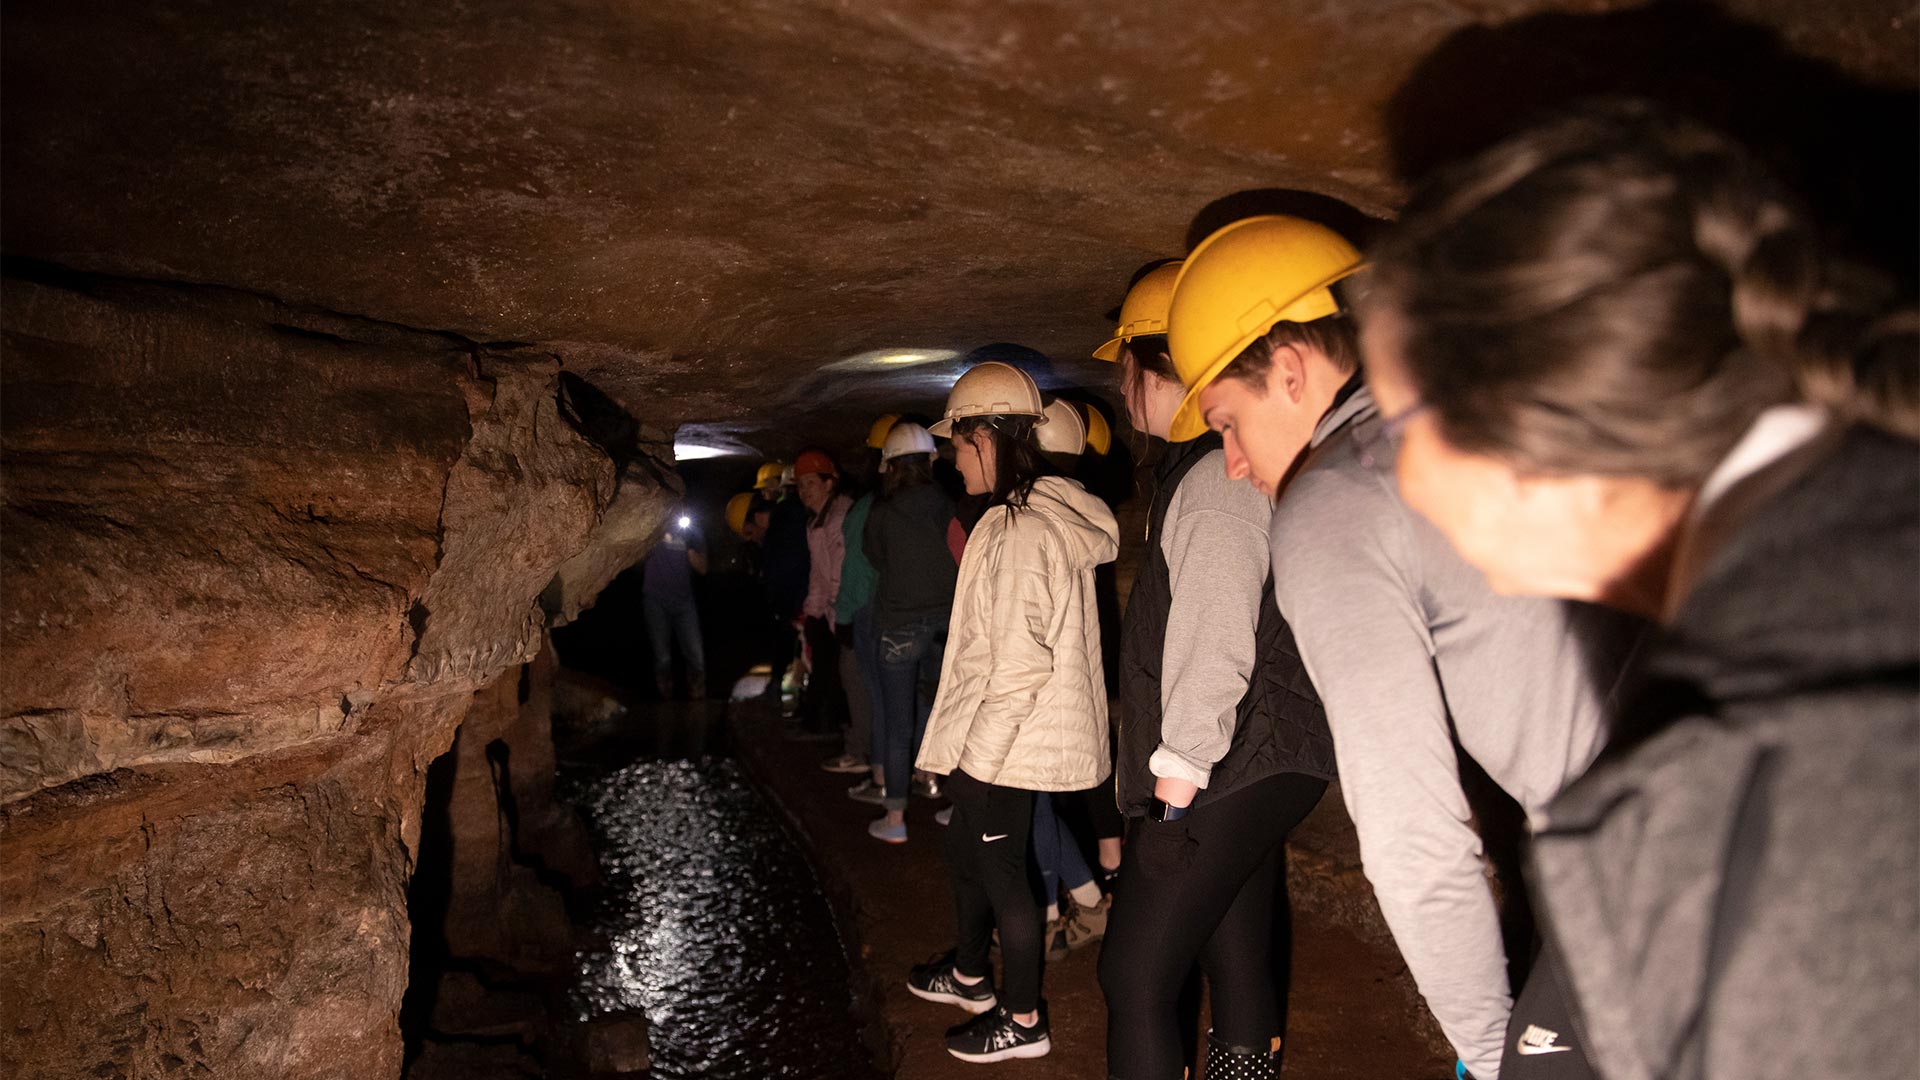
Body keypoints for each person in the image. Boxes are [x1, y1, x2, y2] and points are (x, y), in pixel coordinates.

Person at [1357, 101, 1917, 1080]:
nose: (1393, 477)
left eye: (1395, 429)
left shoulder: (1776, 789)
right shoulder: (1840, 555)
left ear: (1522, 428)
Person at [1179, 214, 1645, 1080]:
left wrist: (1486, 1052)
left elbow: (1413, 840)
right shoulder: (1484, 406)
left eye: (1227, 422)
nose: (1233, 462)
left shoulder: (1331, 506)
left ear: (1289, 370)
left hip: (1660, 863)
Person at [1086, 263, 1336, 1080]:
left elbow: (1216, 628)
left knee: (1135, 974)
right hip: (1267, 754)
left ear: (1155, 367)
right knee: (1232, 951)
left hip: (1230, 759)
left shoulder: (1211, 481)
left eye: (1124, 370)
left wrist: (1177, 779)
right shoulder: (1221, 469)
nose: (1122, 392)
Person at [907, 360, 1119, 1063]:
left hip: (1010, 741)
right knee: (968, 855)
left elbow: (1019, 664)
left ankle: (1024, 1020)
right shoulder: (1016, 519)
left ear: (988, 437)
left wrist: (977, 762)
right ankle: (971, 975)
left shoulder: (1025, 529)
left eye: (957, 442)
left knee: (1004, 879)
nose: (951, 455)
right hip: (1001, 735)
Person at [862, 420, 957, 842]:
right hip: (945, 626)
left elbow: (875, 557)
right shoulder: (951, 503)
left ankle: (896, 820)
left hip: (898, 625)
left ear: (889, 466)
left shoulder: (881, 512)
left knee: (898, 724)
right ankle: (954, 801)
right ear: (931, 460)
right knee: (948, 715)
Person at [795, 449, 853, 739]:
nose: (804, 491)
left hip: (844, 608)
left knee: (838, 673)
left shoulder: (839, 517)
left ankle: (833, 728)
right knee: (825, 668)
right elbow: (817, 573)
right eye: (800, 484)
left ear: (829, 483)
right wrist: (812, 612)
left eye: (811, 483)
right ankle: (823, 725)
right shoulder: (816, 522)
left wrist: (832, 614)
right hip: (829, 607)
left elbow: (839, 573)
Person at [758, 461, 812, 714]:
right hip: (808, 586)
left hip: (787, 588)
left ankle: (777, 687)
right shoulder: (810, 510)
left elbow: (771, 555)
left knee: (784, 639)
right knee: (806, 643)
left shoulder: (781, 514)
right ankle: (805, 694)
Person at [640, 507, 708, 700]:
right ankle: (665, 699)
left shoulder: (692, 532)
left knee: (696, 656)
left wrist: (689, 545)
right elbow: (636, 557)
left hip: (684, 602)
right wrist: (653, 537)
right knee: (662, 657)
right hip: (655, 600)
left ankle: (698, 699)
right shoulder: (651, 529)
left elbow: (703, 568)